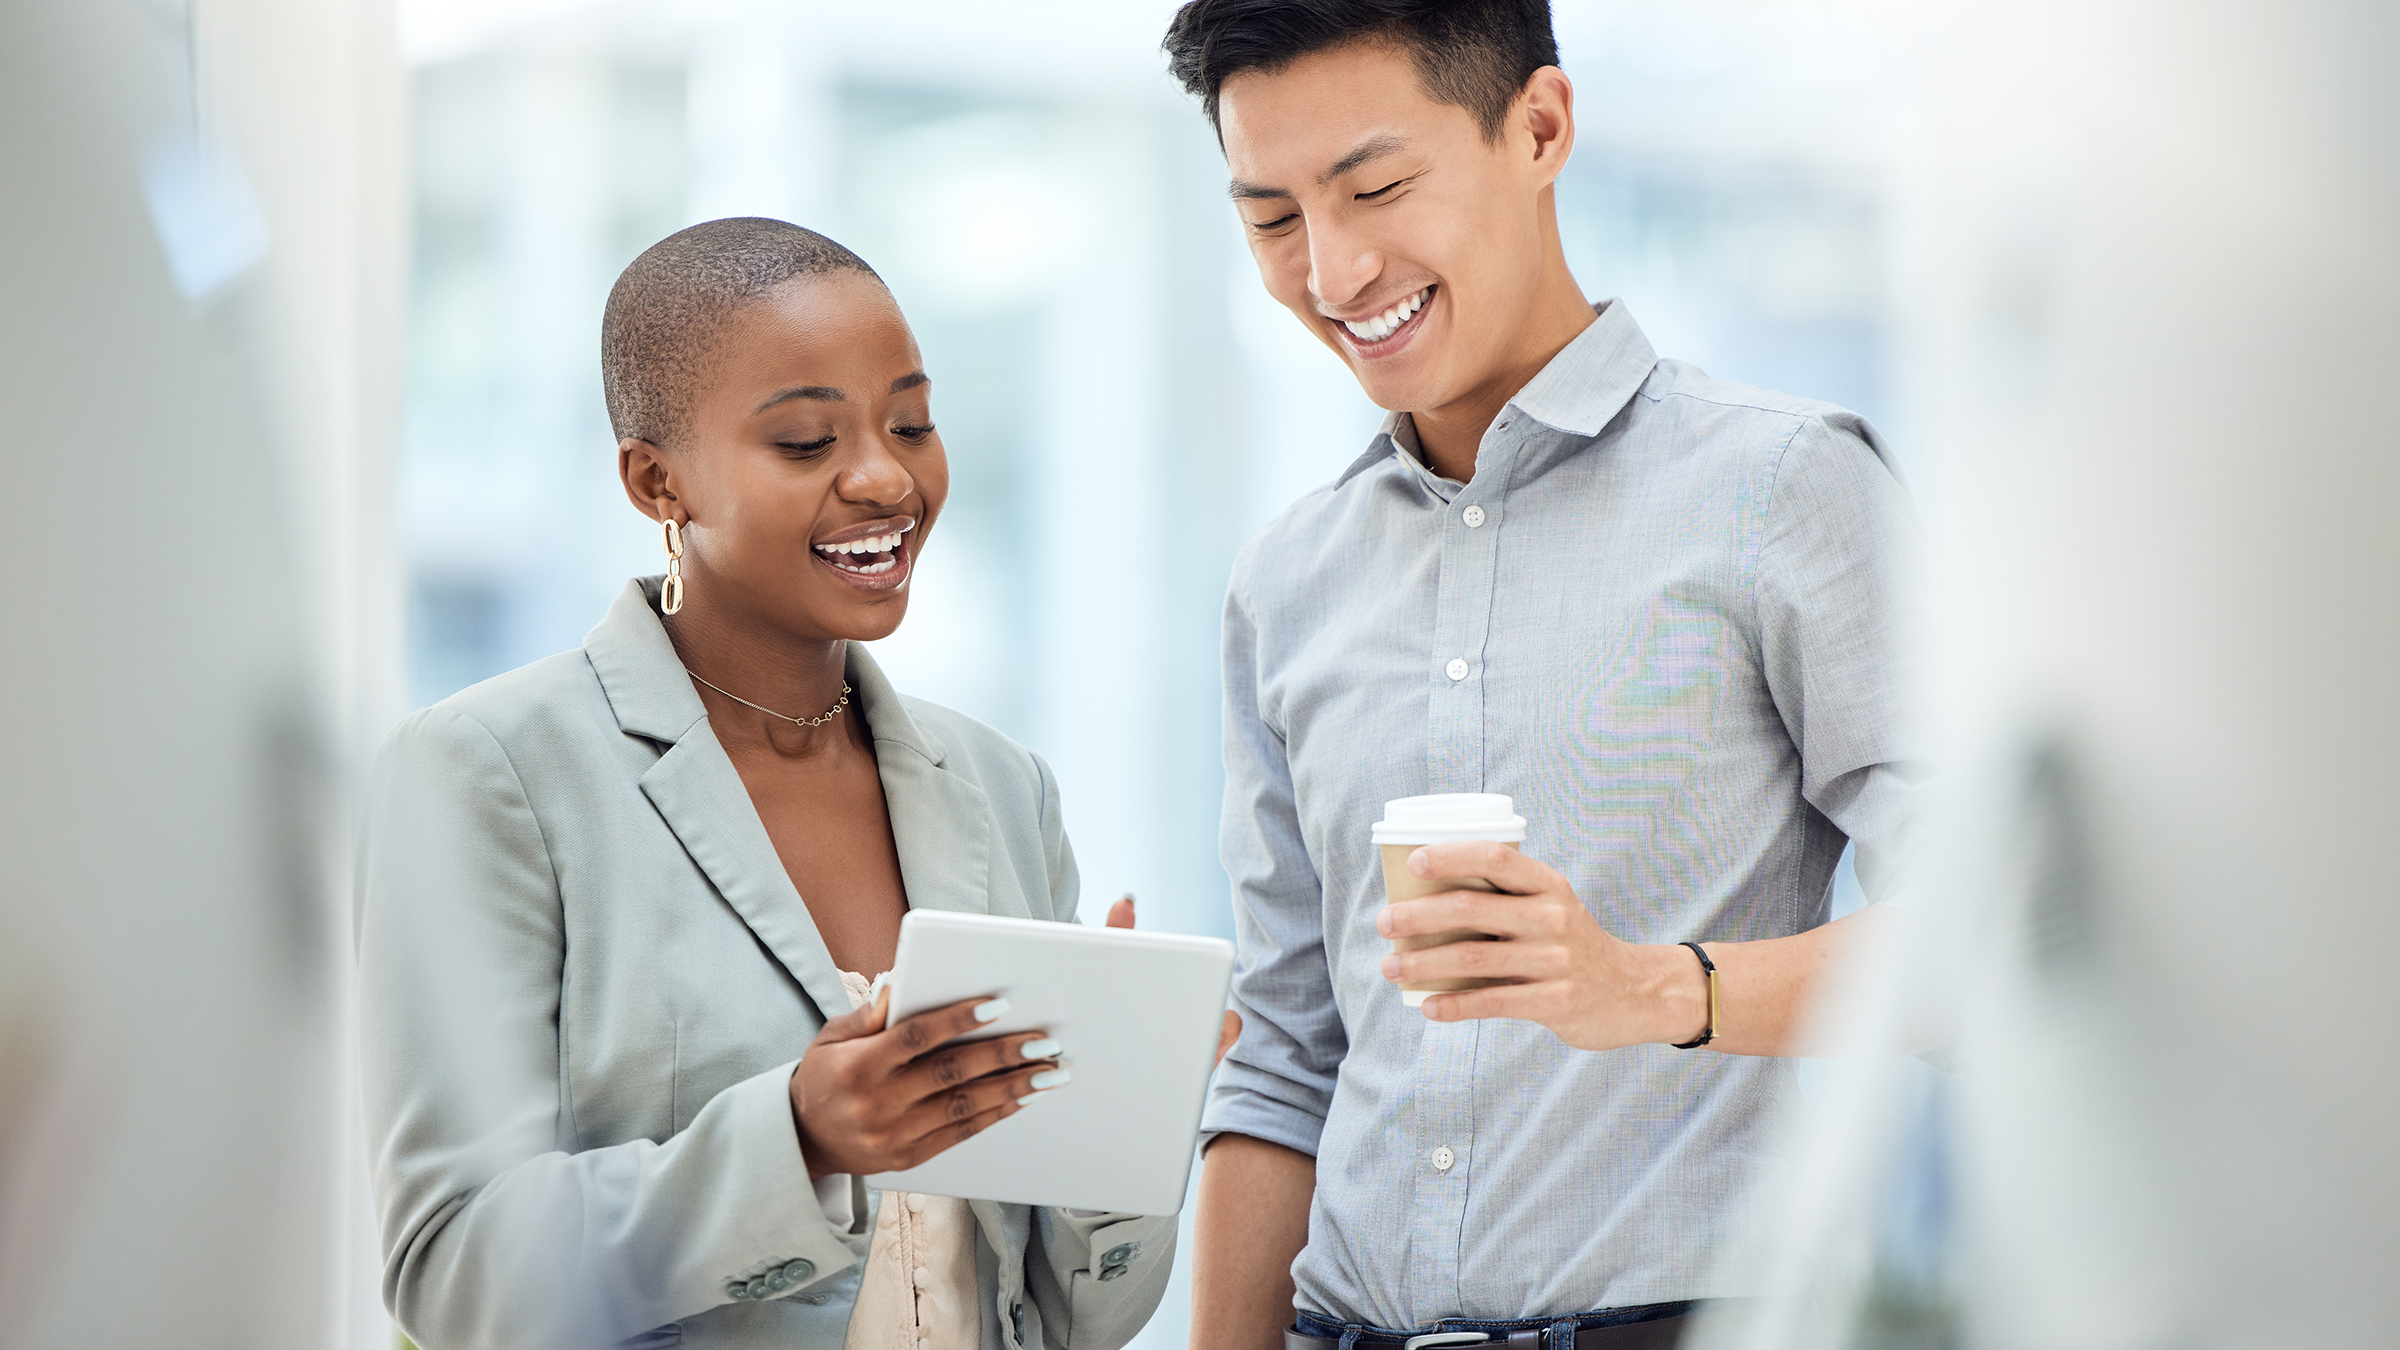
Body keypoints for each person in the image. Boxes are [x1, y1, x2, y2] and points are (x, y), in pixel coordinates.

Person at [1159, 3, 1920, 1347]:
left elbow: (1993, 938)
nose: (1333, 271)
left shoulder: (1782, 488)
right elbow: (1282, 1063)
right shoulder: (1288, 580)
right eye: (1272, 218)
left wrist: (1648, 987)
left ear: (1541, 127)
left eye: (1376, 187)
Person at [357, 219, 1175, 1350]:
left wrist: (1120, 1116)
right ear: (658, 482)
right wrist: (800, 1140)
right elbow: (452, 1271)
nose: (887, 478)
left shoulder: (1001, 785)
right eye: (804, 441)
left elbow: (1083, 1317)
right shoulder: (487, 771)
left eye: (913, 423)